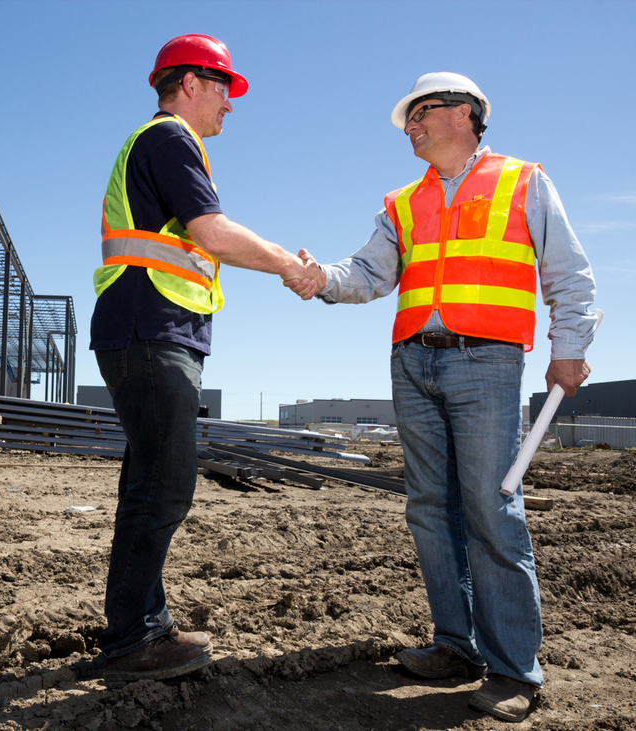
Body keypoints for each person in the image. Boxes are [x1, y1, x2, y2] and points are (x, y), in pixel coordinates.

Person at [288, 72, 598, 722]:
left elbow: (567, 272)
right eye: (408, 118)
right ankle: (456, 645)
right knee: (429, 508)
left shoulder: (523, 182)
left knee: (491, 510)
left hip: (485, 362)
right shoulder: (401, 203)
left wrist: (567, 345)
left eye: (419, 113)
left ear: (463, 114)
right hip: (412, 362)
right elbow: (369, 272)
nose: (409, 126)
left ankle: (514, 668)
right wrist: (319, 278)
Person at [90, 34, 316, 685]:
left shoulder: (162, 144)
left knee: (150, 484)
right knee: (164, 484)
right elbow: (210, 233)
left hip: (151, 330)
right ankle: (133, 637)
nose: (230, 104)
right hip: (149, 331)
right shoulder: (169, 140)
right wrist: (288, 265)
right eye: (223, 87)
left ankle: (141, 623)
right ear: (189, 84)